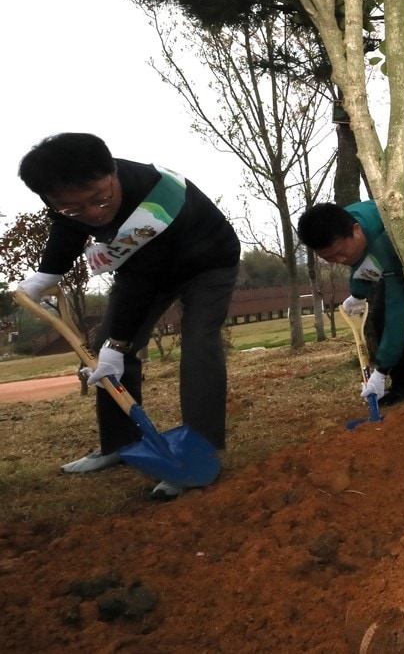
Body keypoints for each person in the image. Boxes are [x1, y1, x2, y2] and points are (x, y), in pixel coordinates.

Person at [13, 132, 240, 501]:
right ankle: (119, 444)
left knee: (199, 340)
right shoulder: (67, 200)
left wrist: (119, 344)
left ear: (113, 172)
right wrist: (47, 274)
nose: (93, 213)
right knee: (106, 350)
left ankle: (200, 447)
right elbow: (68, 227)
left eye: (100, 199)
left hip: (207, 261)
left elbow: (142, 279)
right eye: (73, 207)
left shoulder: (156, 200)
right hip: (144, 266)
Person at [297, 199, 404, 407]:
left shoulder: (389, 239)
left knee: (391, 316)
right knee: (380, 317)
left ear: (356, 230)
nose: (338, 260)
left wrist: (381, 370)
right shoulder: (347, 221)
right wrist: (357, 293)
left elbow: (398, 308)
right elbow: (362, 261)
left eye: (340, 253)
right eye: (329, 258)